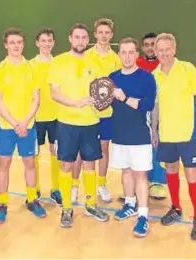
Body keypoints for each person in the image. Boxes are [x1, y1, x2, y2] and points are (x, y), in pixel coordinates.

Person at [48, 23, 110, 228]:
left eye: (84, 37)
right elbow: (54, 93)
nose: (81, 41)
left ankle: (91, 204)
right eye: (77, 37)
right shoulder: (58, 62)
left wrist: (104, 100)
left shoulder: (96, 62)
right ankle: (67, 208)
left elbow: (103, 89)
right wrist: (76, 103)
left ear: (87, 40)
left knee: (90, 164)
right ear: (70, 38)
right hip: (66, 123)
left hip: (91, 123)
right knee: (66, 164)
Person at [152, 33, 196, 241]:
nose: (165, 53)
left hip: (188, 134)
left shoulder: (187, 69)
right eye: (161, 50)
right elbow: (156, 105)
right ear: (156, 52)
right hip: (166, 134)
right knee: (170, 170)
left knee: (192, 175)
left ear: (174, 49)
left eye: (168, 49)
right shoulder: (155, 75)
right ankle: (176, 207)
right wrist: (154, 130)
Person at [0, 27, 46, 224]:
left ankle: (32, 199)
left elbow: (36, 100)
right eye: (12, 42)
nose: (16, 46)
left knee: (30, 163)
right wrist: (15, 123)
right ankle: (2, 203)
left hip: (28, 125)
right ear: (6, 45)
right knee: (4, 164)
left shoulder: (32, 69)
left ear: (23, 44)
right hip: (6, 127)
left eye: (19, 42)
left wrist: (24, 122)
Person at [109, 37, 156, 237]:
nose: (127, 56)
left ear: (137, 54)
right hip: (119, 134)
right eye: (123, 52)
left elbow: (147, 105)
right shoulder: (112, 77)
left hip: (140, 135)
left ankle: (143, 216)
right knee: (125, 171)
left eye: (131, 52)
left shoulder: (147, 78)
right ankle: (129, 204)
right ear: (119, 54)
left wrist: (125, 98)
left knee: (140, 176)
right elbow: (106, 103)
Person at [71, 18, 121, 204]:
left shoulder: (116, 59)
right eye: (100, 32)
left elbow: (116, 86)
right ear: (95, 34)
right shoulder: (86, 55)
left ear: (112, 35)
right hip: (87, 112)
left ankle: (101, 184)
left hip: (106, 113)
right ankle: (74, 186)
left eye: (107, 32)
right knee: (79, 150)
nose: (104, 35)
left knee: (104, 148)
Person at [29, 28, 62, 206]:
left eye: (49, 41)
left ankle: (56, 189)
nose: (46, 44)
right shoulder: (30, 65)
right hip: (36, 116)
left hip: (57, 116)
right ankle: (36, 187)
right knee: (34, 153)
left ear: (53, 43)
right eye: (43, 41)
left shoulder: (59, 64)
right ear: (37, 43)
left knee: (55, 152)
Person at [136, 32, 166, 200]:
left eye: (152, 44)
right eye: (146, 44)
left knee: (158, 146)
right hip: (141, 111)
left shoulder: (164, 64)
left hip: (161, 111)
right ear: (142, 47)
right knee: (141, 147)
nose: (149, 47)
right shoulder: (137, 63)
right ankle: (141, 180)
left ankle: (157, 182)